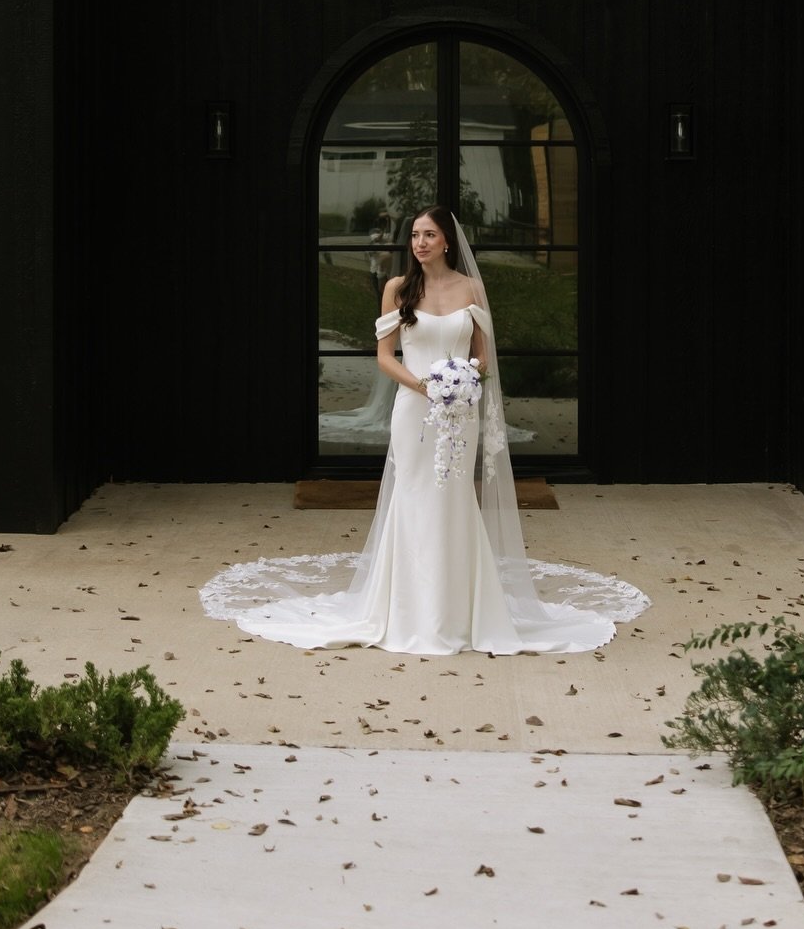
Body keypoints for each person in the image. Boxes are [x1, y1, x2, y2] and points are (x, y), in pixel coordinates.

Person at [203, 205, 647, 655]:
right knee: (414, 497)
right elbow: (384, 356)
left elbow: (483, 354)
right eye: (415, 235)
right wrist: (425, 386)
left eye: (429, 235)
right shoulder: (397, 288)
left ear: (447, 241)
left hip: (458, 414)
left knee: (454, 499)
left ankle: (459, 612)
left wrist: (465, 380)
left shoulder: (471, 288)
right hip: (414, 410)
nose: (420, 243)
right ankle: (408, 612)